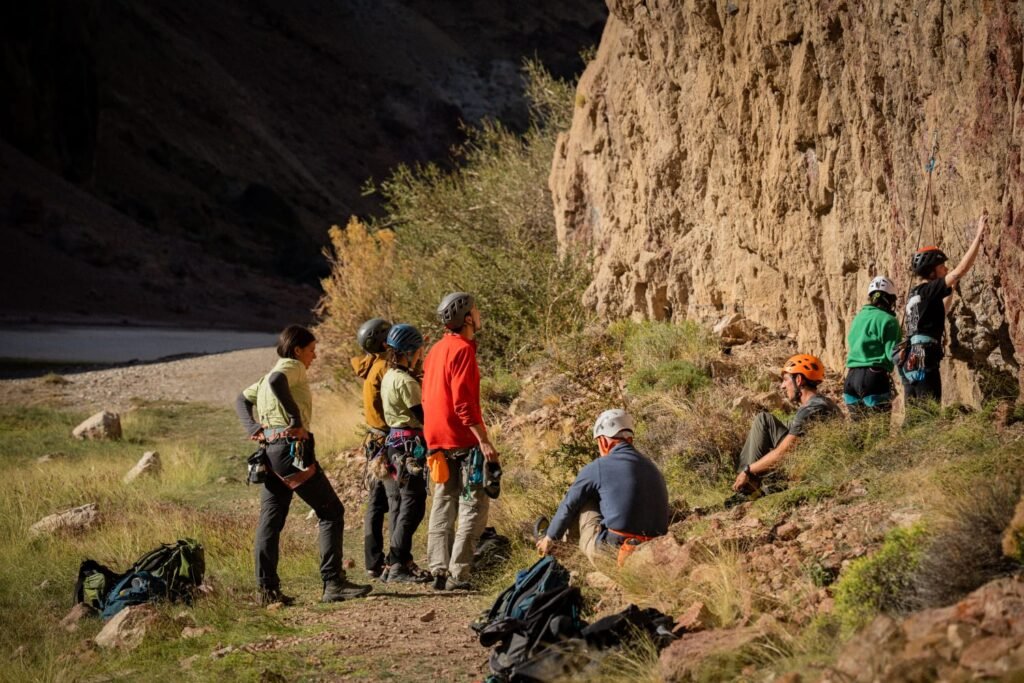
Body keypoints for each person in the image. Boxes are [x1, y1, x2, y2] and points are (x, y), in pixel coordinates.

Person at [236, 325, 371, 605]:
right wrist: (296, 420)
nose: (315, 356)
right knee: (331, 511)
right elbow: (276, 380)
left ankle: (267, 591)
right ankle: (333, 583)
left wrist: (252, 426)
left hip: (271, 452)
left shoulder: (263, 379)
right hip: (292, 451)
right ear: (297, 350)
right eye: (312, 350)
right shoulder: (291, 366)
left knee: (270, 523)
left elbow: (241, 398)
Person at [423, 292, 500, 590]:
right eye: (476, 311)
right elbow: (464, 404)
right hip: (463, 440)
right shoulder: (463, 350)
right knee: (473, 504)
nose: (480, 315)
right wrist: (484, 440)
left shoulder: (435, 351)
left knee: (443, 503)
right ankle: (459, 574)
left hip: (437, 441)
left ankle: (438, 570)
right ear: (467, 317)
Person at [536, 409, 669, 564]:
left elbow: (569, 505)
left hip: (613, 552)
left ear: (604, 442)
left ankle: (558, 550)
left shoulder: (598, 467)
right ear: (630, 440)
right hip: (654, 547)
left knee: (584, 500)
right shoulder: (652, 467)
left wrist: (550, 536)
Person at [899, 211, 990, 404]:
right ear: (932, 271)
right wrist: (978, 236)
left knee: (915, 416)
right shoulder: (928, 290)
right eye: (942, 267)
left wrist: (952, 290)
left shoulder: (916, 294)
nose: (946, 269)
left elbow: (941, 311)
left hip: (911, 359)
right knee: (929, 414)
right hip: (925, 357)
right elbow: (961, 270)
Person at [730, 354, 838, 502]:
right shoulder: (825, 403)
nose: (782, 386)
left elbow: (783, 454)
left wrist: (748, 470)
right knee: (766, 420)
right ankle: (749, 485)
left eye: (786, 380)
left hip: (810, 468)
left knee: (762, 420)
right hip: (812, 458)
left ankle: (745, 490)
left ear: (798, 380)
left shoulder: (811, 410)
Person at [379, 324, 432, 583]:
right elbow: (424, 417)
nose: (421, 356)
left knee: (403, 506)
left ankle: (398, 562)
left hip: (394, 445)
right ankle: (397, 563)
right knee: (413, 505)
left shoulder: (389, 376)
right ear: (410, 352)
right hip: (410, 446)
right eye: (419, 352)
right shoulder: (407, 382)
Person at [351, 318, 392, 580]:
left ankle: (373, 560)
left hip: (375, 441)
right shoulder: (385, 367)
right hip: (387, 441)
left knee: (377, 503)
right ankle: (384, 561)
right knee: (392, 502)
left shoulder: (371, 366)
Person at [844, 276, 902, 416]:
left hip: (851, 378)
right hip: (874, 377)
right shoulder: (889, 320)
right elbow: (893, 354)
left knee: (857, 433)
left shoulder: (858, 318)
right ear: (890, 299)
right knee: (879, 431)